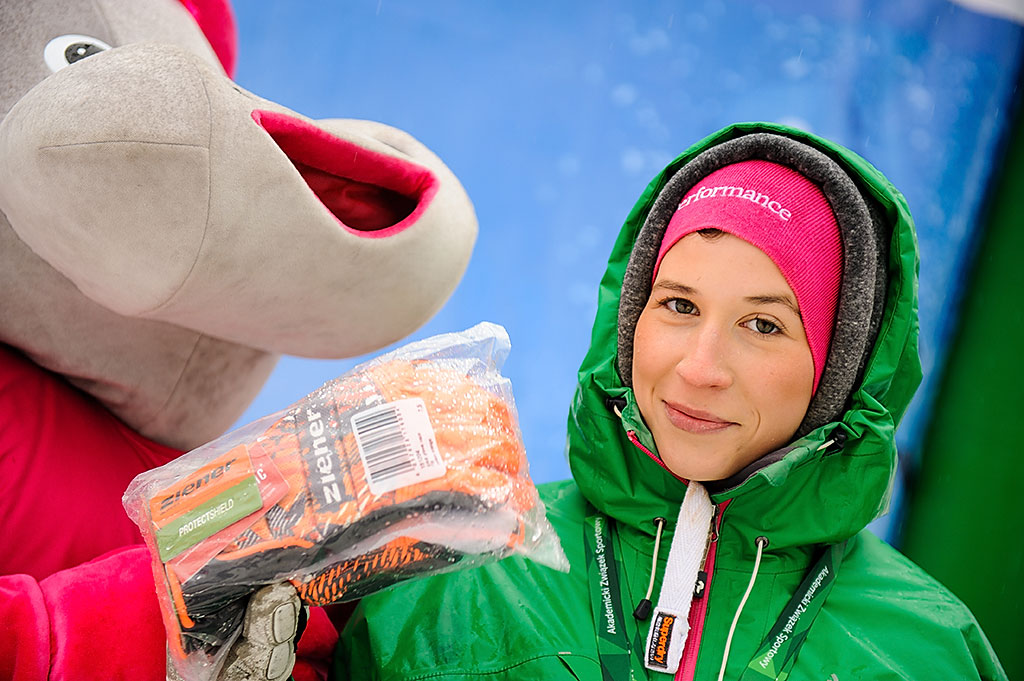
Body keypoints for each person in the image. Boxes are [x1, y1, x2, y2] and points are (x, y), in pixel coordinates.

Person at [332, 122, 1008, 680]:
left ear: (838, 370)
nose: (700, 366)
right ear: (630, 324)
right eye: (679, 304)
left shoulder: (926, 649)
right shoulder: (459, 573)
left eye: (764, 324)